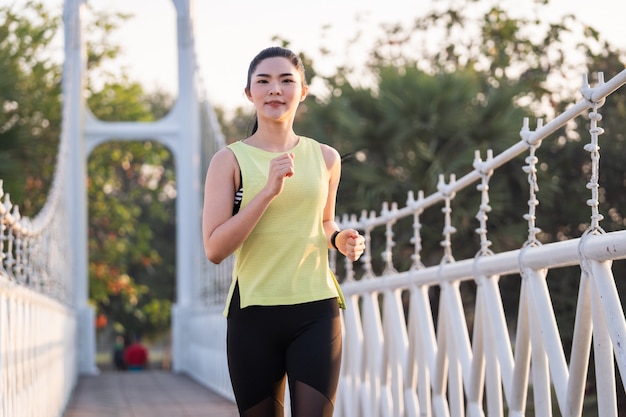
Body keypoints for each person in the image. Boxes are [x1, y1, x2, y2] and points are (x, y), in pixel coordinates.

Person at [202, 46, 365, 417]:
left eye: (286, 80)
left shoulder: (325, 157)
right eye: (264, 81)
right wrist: (267, 193)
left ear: (302, 91)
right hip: (253, 314)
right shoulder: (228, 161)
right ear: (249, 93)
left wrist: (341, 239)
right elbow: (214, 249)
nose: (275, 89)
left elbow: (324, 222)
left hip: (315, 309)